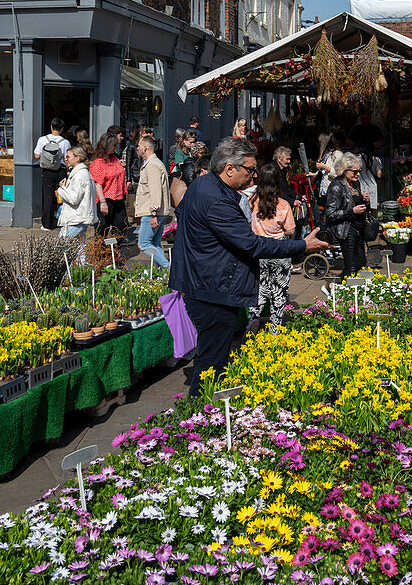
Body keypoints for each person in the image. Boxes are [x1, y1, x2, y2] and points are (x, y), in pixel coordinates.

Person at [170, 138, 327, 394]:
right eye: (250, 169)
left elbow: (183, 217)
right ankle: (201, 413)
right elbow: (252, 245)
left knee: (212, 355)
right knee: (212, 361)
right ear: (229, 168)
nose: (253, 175)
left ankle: (207, 410)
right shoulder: (217, 199)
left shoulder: (203, 185)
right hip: (213, 288)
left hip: (206, 280)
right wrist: (301, 246)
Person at [248, 164, 296, 332]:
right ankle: (274, 330)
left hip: (258, 250)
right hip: (279, 251)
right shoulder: (283, 205)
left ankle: (252, 323)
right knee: (279, 291)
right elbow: (290, 230)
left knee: (259, 289)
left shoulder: (251, 202)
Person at [324, 153, 370, 278]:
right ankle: (336, 290)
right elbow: (330, 214)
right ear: (344, 170)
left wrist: (365, 200)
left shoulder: (355, 183)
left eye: (359, 171)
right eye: (355, 172)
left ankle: (343, 288)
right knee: (352, 267)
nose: (358, 174)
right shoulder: (336, 186)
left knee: (361, 263)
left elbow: (356, 202)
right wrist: (352, 211)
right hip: (345, 230)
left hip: (358, 229)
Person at [135, 134, 172, 270]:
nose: (137, 148)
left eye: (139, 146)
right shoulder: (152, 164)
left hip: (152, 212)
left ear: (145, 148)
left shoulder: (152, 166)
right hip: (154, 212)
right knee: (155, 244)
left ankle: (168, 268)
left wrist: (153, 213)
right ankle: (163, 275)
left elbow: (155, 190)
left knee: (144, 244)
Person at [57, 146, 98, 260]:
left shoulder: (80, 175)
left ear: (77, 158)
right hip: (80, 217)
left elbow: (74, 198)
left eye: (69, 157)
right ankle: (80, 276)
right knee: (80, 250)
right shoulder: (81, 173)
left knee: (60, 248)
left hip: (76, 218)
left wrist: (61, 189)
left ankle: (63, 276)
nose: (66, 159)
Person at [34, 117, 71, 231]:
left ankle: (46, 224)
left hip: (47, 171)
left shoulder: (42, 140)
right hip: (60, 171)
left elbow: (36, 155)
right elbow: (67, 159)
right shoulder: (65, 142)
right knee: (62, 196)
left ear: (51, 127)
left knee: (48, 197)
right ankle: (62, 221)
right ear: (62, 129)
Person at [90, 133, 128, 237]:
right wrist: (103, 202)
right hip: (106, 199)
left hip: (119, 199)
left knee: (122, 227)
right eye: (114, 145)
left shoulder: (115, 158)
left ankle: (113, 250)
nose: (116, 147)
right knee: (102, 229)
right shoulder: (98, 163)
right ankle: (102, 252)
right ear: (107, 145)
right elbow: (98, 184)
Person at [273, 146, 301, 212]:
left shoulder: (283, 170)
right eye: (287, 159)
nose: (289, 161)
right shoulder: (273, 170)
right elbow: (277, 191)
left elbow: (286, 188)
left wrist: (298, 196)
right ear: (279, 158)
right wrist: (291, 201)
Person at [315, 132, 342, 197]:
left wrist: (324, 167)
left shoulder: (337, 154)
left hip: (334, 191)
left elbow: (339, 174)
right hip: (325, 190)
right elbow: (324, 174)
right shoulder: (325, 155)